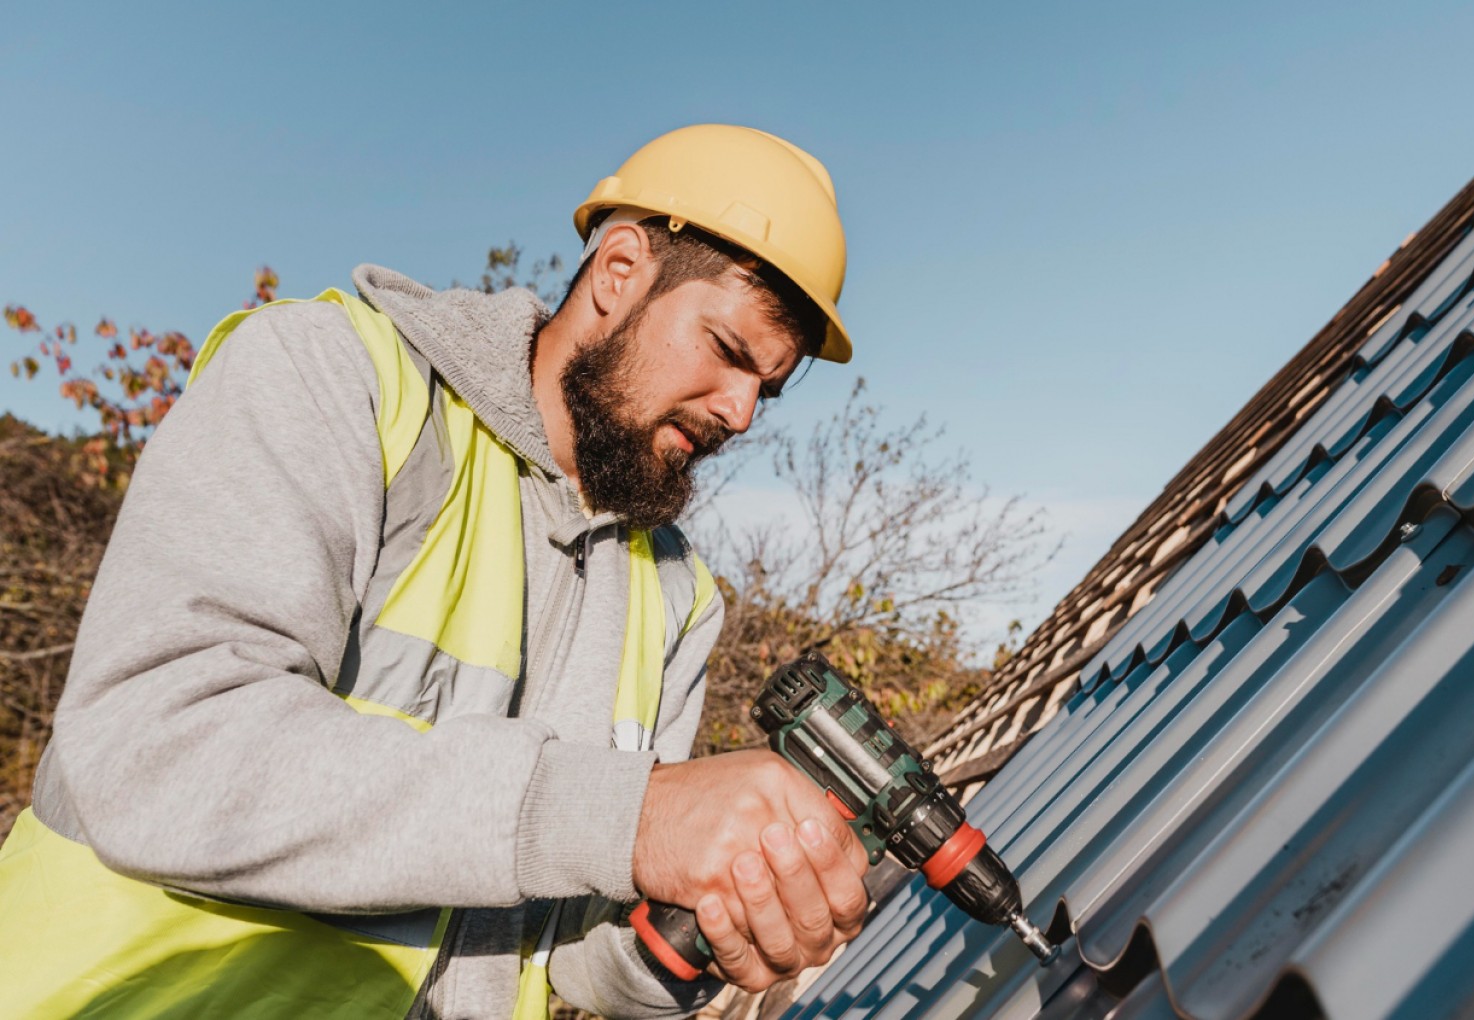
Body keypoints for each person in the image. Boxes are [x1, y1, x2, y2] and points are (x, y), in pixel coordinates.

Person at [0, 124, 868, 1019]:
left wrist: (709, 924)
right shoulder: (336, 378)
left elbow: (572, 951)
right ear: (619, 271)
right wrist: (629, 815)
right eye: (728, 350)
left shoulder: (676, 595)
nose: (741, 412)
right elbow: (156, 749)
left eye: (767, 387)